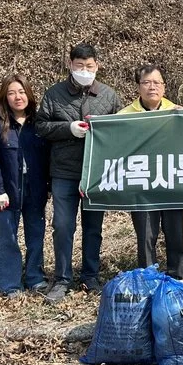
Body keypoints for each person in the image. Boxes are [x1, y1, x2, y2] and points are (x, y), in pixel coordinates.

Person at [35, 43, 122, 303]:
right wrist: (67, 128)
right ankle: (62, 279)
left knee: (93, 227)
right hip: (64, 170)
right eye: (79, 65)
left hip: (96, 172)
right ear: (70, 64)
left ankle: (90, 275)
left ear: (97, 66)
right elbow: (40, 126)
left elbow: (121, 131)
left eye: (90, 66)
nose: (85, 70)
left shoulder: (108, 95)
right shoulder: (54, 94)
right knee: (62, 225)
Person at [0, 74, 50, 298]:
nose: (17, 97)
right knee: (8, 237)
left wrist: (49, 186)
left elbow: (48, 157)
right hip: (7, 192)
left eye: (21, 92)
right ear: (4, 97)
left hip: (36, 190)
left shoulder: (38, 123)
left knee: (36, 235)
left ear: (28, 95)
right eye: (11, 93)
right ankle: (10, 284)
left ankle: (35, 278)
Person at [118, 64, 183, 280]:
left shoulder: (176, 112)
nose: (152, 87)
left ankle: (177, 276)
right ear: (139, 87)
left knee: (175, 233)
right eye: (146, 83)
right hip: (142, 185)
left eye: (157, 82)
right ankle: (149, 277)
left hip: (171, 182)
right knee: (146, 235)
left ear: (164, 87)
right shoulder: (124, 115)